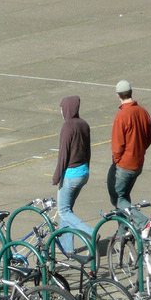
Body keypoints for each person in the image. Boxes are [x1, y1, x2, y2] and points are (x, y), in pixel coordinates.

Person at [107, 79, 151, 230]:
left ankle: (143, 222)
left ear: (118, 95)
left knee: (117, 198)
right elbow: (149, 138)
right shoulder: (142, 111)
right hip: (138, 163)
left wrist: (118, 160)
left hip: (124, 165)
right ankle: (124, 232)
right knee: (124, 197)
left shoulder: (122, 115)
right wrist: (139, 151)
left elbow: (117, 145)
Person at [52, 95, 93, 255]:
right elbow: (88, 150)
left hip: (70, 174)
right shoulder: (84, 124)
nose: (62, 112)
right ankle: (67, 247)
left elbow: (63, 154)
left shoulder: (67, 126)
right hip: (83, 172)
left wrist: (56, 176)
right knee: (67, 209)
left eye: (62, 108)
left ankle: (90, 233)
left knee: (63, 211)